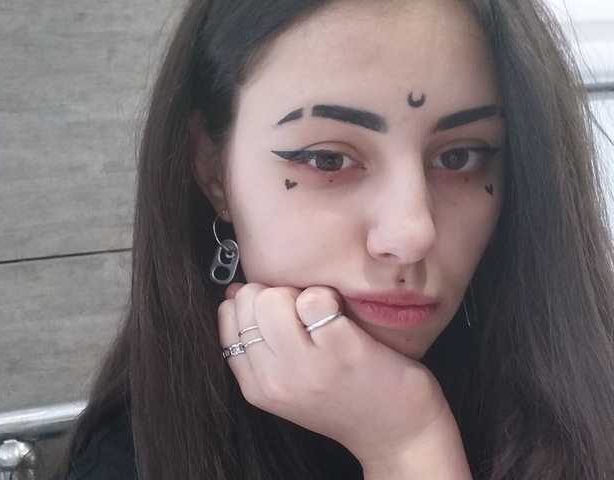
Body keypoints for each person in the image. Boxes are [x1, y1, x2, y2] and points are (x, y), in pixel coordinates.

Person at [57, 0, 614, 478]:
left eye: (459, 157)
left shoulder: (589, 393)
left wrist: (407, 445)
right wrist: (404, 446)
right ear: (212, 170)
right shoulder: (131, 459)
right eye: (328, 159)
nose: (411, 235)